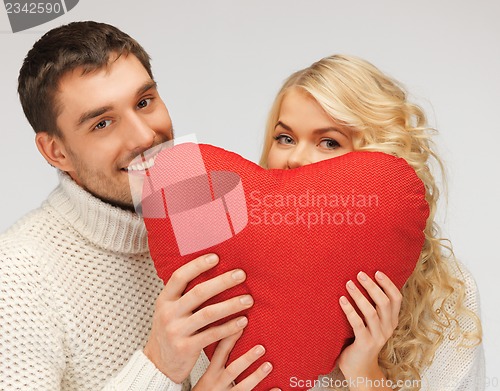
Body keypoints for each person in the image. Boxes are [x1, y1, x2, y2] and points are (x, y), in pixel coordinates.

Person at [0, 21, 280, 391]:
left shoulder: (204, 205)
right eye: (102, 123)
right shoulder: (18, 273)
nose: (145, 136)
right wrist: (158, 365)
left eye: (144, 102)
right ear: (57, 151)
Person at [258, 54, 485, 390]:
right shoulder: (240, 266)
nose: (295, 159)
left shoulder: (445, 292)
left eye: (329, 142)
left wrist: (365, 370)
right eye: (285, 138)